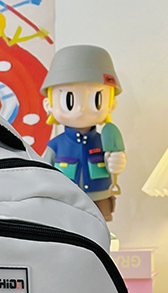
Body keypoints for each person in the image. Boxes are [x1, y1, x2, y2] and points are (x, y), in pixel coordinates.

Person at [40, 45, 126, 222]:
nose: (80, 109)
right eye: (69, 100)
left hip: (99, 198)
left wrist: (117, 162)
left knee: (100, 230)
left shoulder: (104, 141)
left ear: (112, 105)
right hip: (65, 200)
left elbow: (113, 163)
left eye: (96, 99)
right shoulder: (55, 145)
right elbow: (43, 172)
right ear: (48, 105)